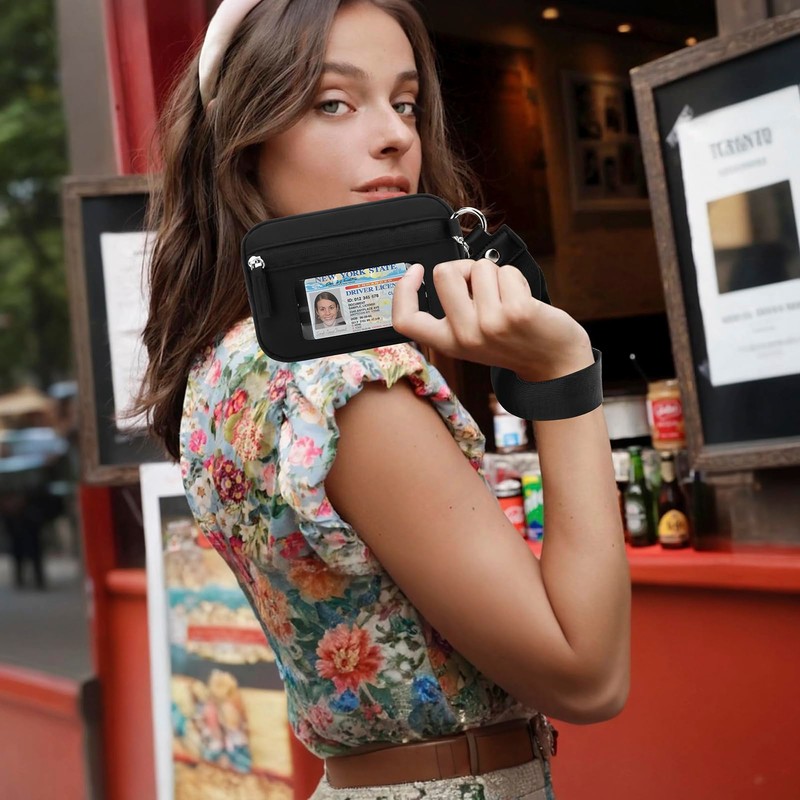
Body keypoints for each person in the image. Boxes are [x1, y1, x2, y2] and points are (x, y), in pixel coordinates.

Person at [133, 1, 631, 798]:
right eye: (334, 102)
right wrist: (565, 377)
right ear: (244, 144)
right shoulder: (346, 383)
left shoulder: (227, 361)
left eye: (405, 102)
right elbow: (588, 675)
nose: (396, 133)